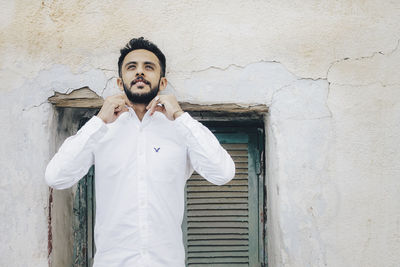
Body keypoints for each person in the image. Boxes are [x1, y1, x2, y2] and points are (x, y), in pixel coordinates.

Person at [45, 37, 235, 267]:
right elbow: (56, 177)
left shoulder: (180, 130)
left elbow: (223, 173)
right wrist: (99, 121)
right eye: (131, 67)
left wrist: (180, 117)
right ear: (119, 81)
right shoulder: (102, 130)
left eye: (149, 67)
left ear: (162, 82)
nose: (140, 73)